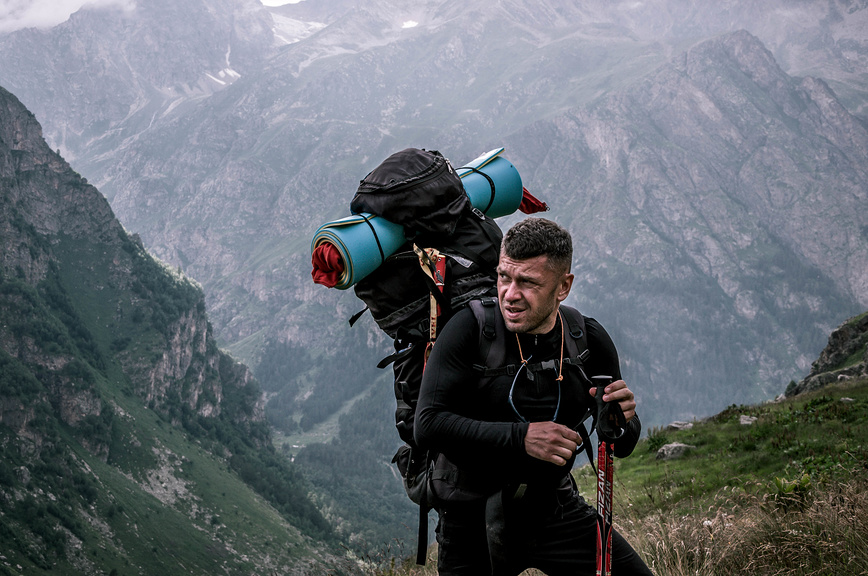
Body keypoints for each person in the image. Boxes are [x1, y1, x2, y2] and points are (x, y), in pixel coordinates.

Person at [414, 217, 654, 576]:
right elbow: (427, 425)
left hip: (554, 509)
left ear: (563, 286)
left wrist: (622, 420)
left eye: (528, 282)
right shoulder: (469, 330)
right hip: (470, 520)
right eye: (504, 277)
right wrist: (522, 438)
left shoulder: (586, 340)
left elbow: (621, 445)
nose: (510, 294)